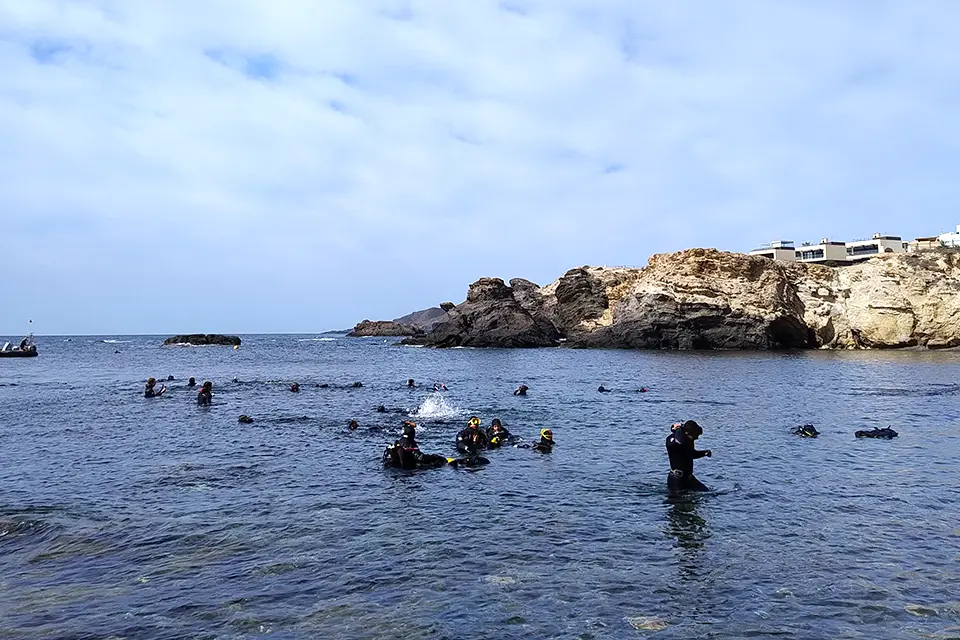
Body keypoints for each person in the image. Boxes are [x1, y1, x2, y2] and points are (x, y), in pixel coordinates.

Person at [666, 420, 712, 492]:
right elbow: (679, 441)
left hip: (688, 478)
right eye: (695, 436)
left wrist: (704, 453)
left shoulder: (688, 440)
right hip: (676, 480)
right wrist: (678, 429)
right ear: (686, 433)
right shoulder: (672, 442)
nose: (697, 438)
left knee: (707, 492)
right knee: (681, 501)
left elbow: (690, 454)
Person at [383, 421, 448, 469]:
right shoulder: (410, 444)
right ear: (413, 434)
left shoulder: (400, 441)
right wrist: (436, 457)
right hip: (404, 469)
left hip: (393, 467)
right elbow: (421, 457)